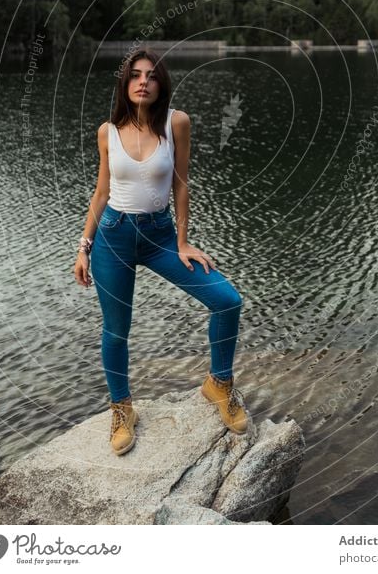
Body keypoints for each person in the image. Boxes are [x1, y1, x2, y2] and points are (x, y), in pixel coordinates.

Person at [73, 48, 248, 455]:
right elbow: (101, 192)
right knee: (116, 330)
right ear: (125, 83)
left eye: (151, 76)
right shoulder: (108, 131)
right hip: (113, 237)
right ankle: (122, 408)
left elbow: (181, 184)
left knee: (227, 301)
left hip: (160, 235)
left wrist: (184, 241)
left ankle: (218, 384)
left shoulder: (176, 123)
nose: (143, 82)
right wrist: (83, 247)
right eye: (135, 75)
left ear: (160, 83)